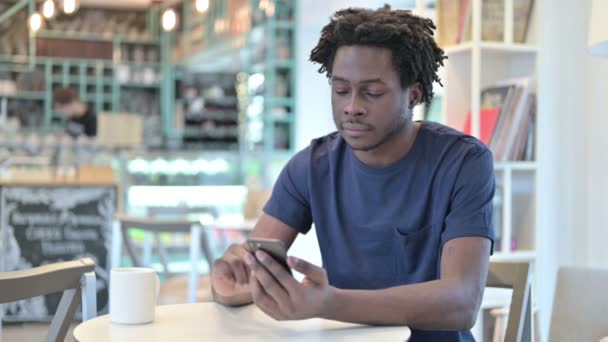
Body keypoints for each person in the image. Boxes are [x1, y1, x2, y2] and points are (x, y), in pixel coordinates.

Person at [211, 5, 494, 342]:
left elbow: (461, 303)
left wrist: (329, 303)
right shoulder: (311, 167)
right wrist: (232, 281)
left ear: (413, 96)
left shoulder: (464, 162)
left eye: (372, 92)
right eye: (341, 90)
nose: (352, 106)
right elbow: (254, 270)